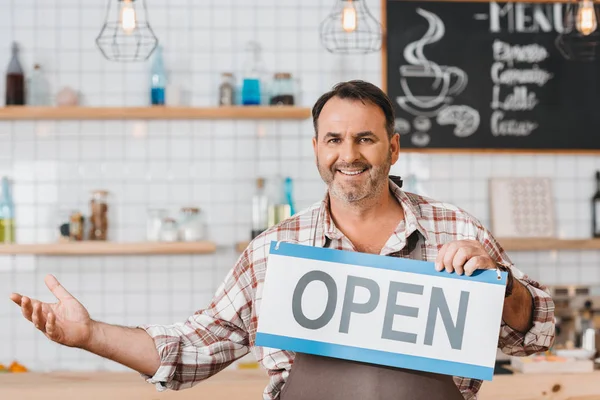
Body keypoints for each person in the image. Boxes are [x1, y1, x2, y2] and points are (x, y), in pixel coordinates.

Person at [10, 80, 555, 399]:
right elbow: (193, 349)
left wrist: (499, 284)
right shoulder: (275, 249)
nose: (350, 155)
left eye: (366, 139)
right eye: (334, 140)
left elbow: (535, 334)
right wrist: (89, 335)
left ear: (393, 147)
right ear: (316, 149)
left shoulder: (456, 230)